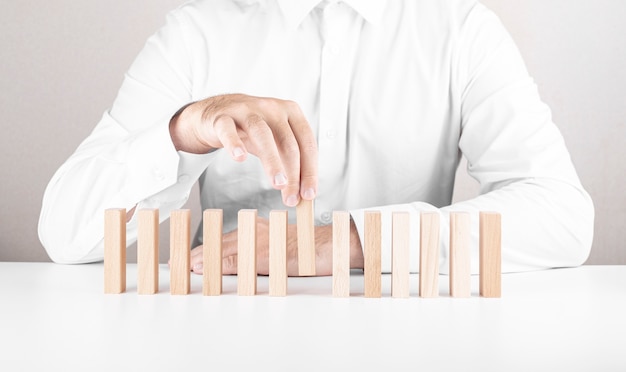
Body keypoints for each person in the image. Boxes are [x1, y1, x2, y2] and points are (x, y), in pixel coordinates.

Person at [38, 0, 594, 276]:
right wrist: (183, 133)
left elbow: (562, 219)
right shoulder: (198, 31)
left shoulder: (461, 29)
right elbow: (66, 236)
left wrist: (345, 241)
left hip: (415, 341)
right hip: (219, 343)